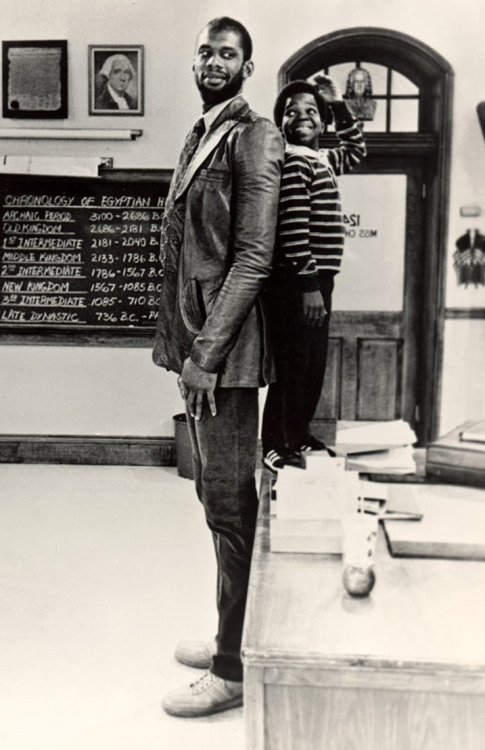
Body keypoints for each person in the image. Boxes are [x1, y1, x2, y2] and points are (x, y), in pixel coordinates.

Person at [152, 17, 283, 717]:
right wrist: (182, 352)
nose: (212, 60)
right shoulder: (202, 132)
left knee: (231, 507)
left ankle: (232, 669)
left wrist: (205, 357)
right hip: (197, 351)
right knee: (216, 502)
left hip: (225, 359)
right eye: (205, 50)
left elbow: (252, 259)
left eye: (227, 53)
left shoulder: (253, 135)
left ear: (247, 67)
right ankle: (228, 633)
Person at [261, 77, 366, 471]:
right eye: (291, 112)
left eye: (311, 111)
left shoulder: (322, 159)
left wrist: (338, 104)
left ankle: (298, 434)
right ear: (281, 123)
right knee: (292, 364)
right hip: (298, 281)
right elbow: (292, 225)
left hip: (319, 281)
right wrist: (307, 284)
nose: (301, 117)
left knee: (311, 364)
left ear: (322, 123)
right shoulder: (292, 161)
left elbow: (357, 149)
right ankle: (276, 443)